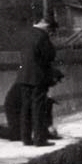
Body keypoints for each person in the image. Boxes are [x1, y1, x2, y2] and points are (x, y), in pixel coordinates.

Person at [16, 15, 57, 146]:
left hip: (23, 76)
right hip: (38, 77)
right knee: (38, 108)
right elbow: (49, 55)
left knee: (25, 108)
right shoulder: (42, 36)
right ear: (44, 24)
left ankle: (26, 138)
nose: (49, 30)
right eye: (49, 27)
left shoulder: (24, 35)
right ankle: (40, 139)